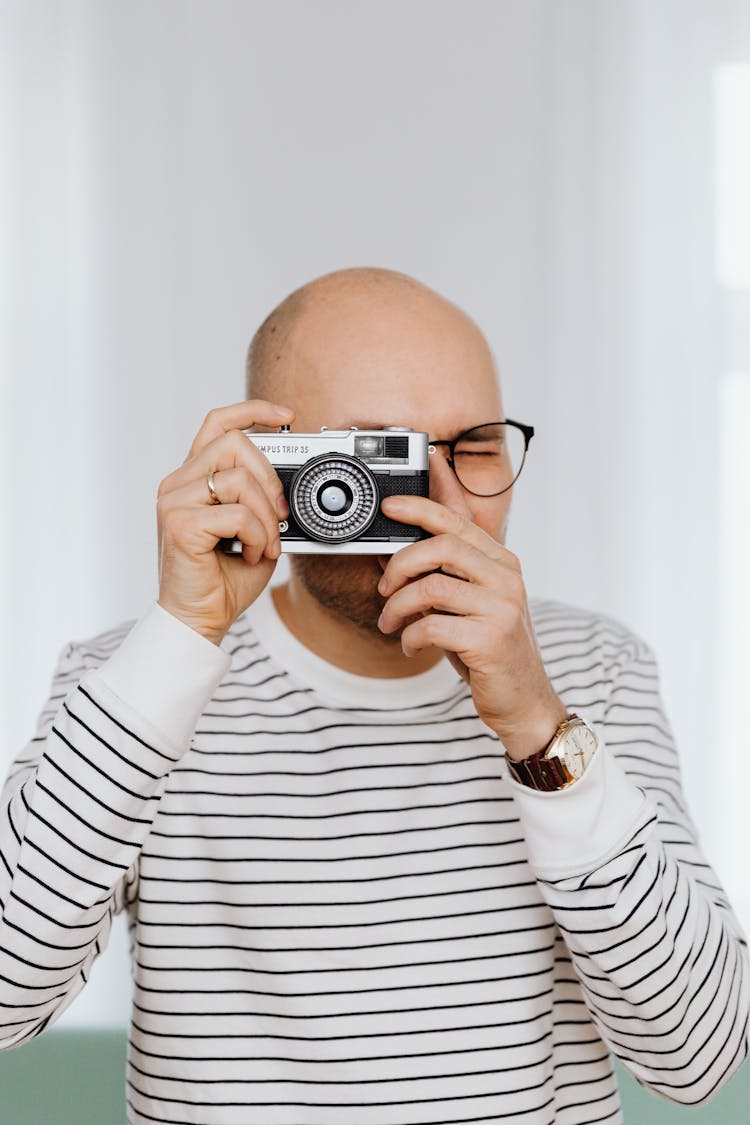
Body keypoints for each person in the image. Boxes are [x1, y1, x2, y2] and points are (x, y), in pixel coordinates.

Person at [0, 267, 747, 1125]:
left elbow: (699, 1057)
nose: (435, 502)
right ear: (266, 466)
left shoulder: (591, 668)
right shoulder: (132, 683)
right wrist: (179, 633)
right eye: (377, 454)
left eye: (473, 447)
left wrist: (538, 726)